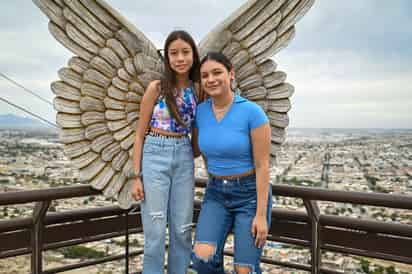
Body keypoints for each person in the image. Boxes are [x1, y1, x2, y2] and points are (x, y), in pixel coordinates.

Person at [191, 52, 272, 274]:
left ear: (231, 74)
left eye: (217, 72)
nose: (211, 79)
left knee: (244, 269)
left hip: (249, 195)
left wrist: (261, 215)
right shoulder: (200, 113)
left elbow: (263, 165)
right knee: (201, 259)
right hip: (216, 192)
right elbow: (197, 150)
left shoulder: (252, 113)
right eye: (205, 75)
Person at [130, 30, 202, 274]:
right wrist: (136, 176)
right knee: (155, 229)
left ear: (193, 55)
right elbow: (139, 134)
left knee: (182, 229)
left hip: (183, 154)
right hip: (154, 152)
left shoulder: (198, 90)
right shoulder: (157, 88)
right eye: (174, 53)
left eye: (185, 52)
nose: (180, 58)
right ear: (167, 58)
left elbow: (197, 134)